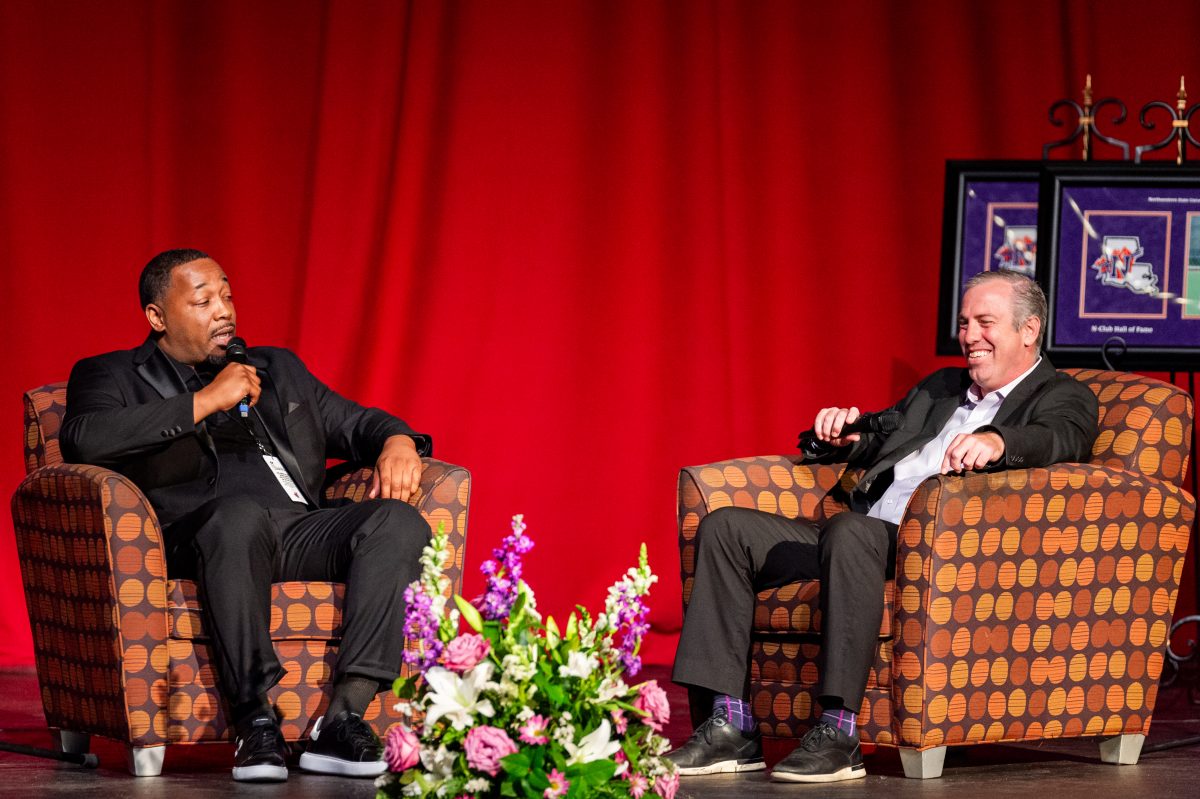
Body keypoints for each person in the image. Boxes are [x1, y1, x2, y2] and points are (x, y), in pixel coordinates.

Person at [667, 270, 1099, 783]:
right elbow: (880, 435)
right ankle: (729, 729)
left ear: (1029, 330)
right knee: (726, 528)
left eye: (985, 322)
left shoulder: (1061, 394)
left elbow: (1061, 439)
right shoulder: (942, 387)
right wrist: (840, 435)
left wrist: (999, 443)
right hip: (863, 535)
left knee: (850, 532)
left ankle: (839, 733)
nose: (969, 337)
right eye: (964, 324)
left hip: (938, 551)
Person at [61, 249, 433, 783]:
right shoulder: (113, 373)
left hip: (297, 528)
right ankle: (254, 719)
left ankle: (345, 716)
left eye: (228, 296)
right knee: (237, 515)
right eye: (204, 300)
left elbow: (357, 422)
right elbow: (84, 439)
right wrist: (206, 401)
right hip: (204, 536)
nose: (224, 311)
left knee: (398, 521)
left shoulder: (276, 369)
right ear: (157, 317)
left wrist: (398, 440)